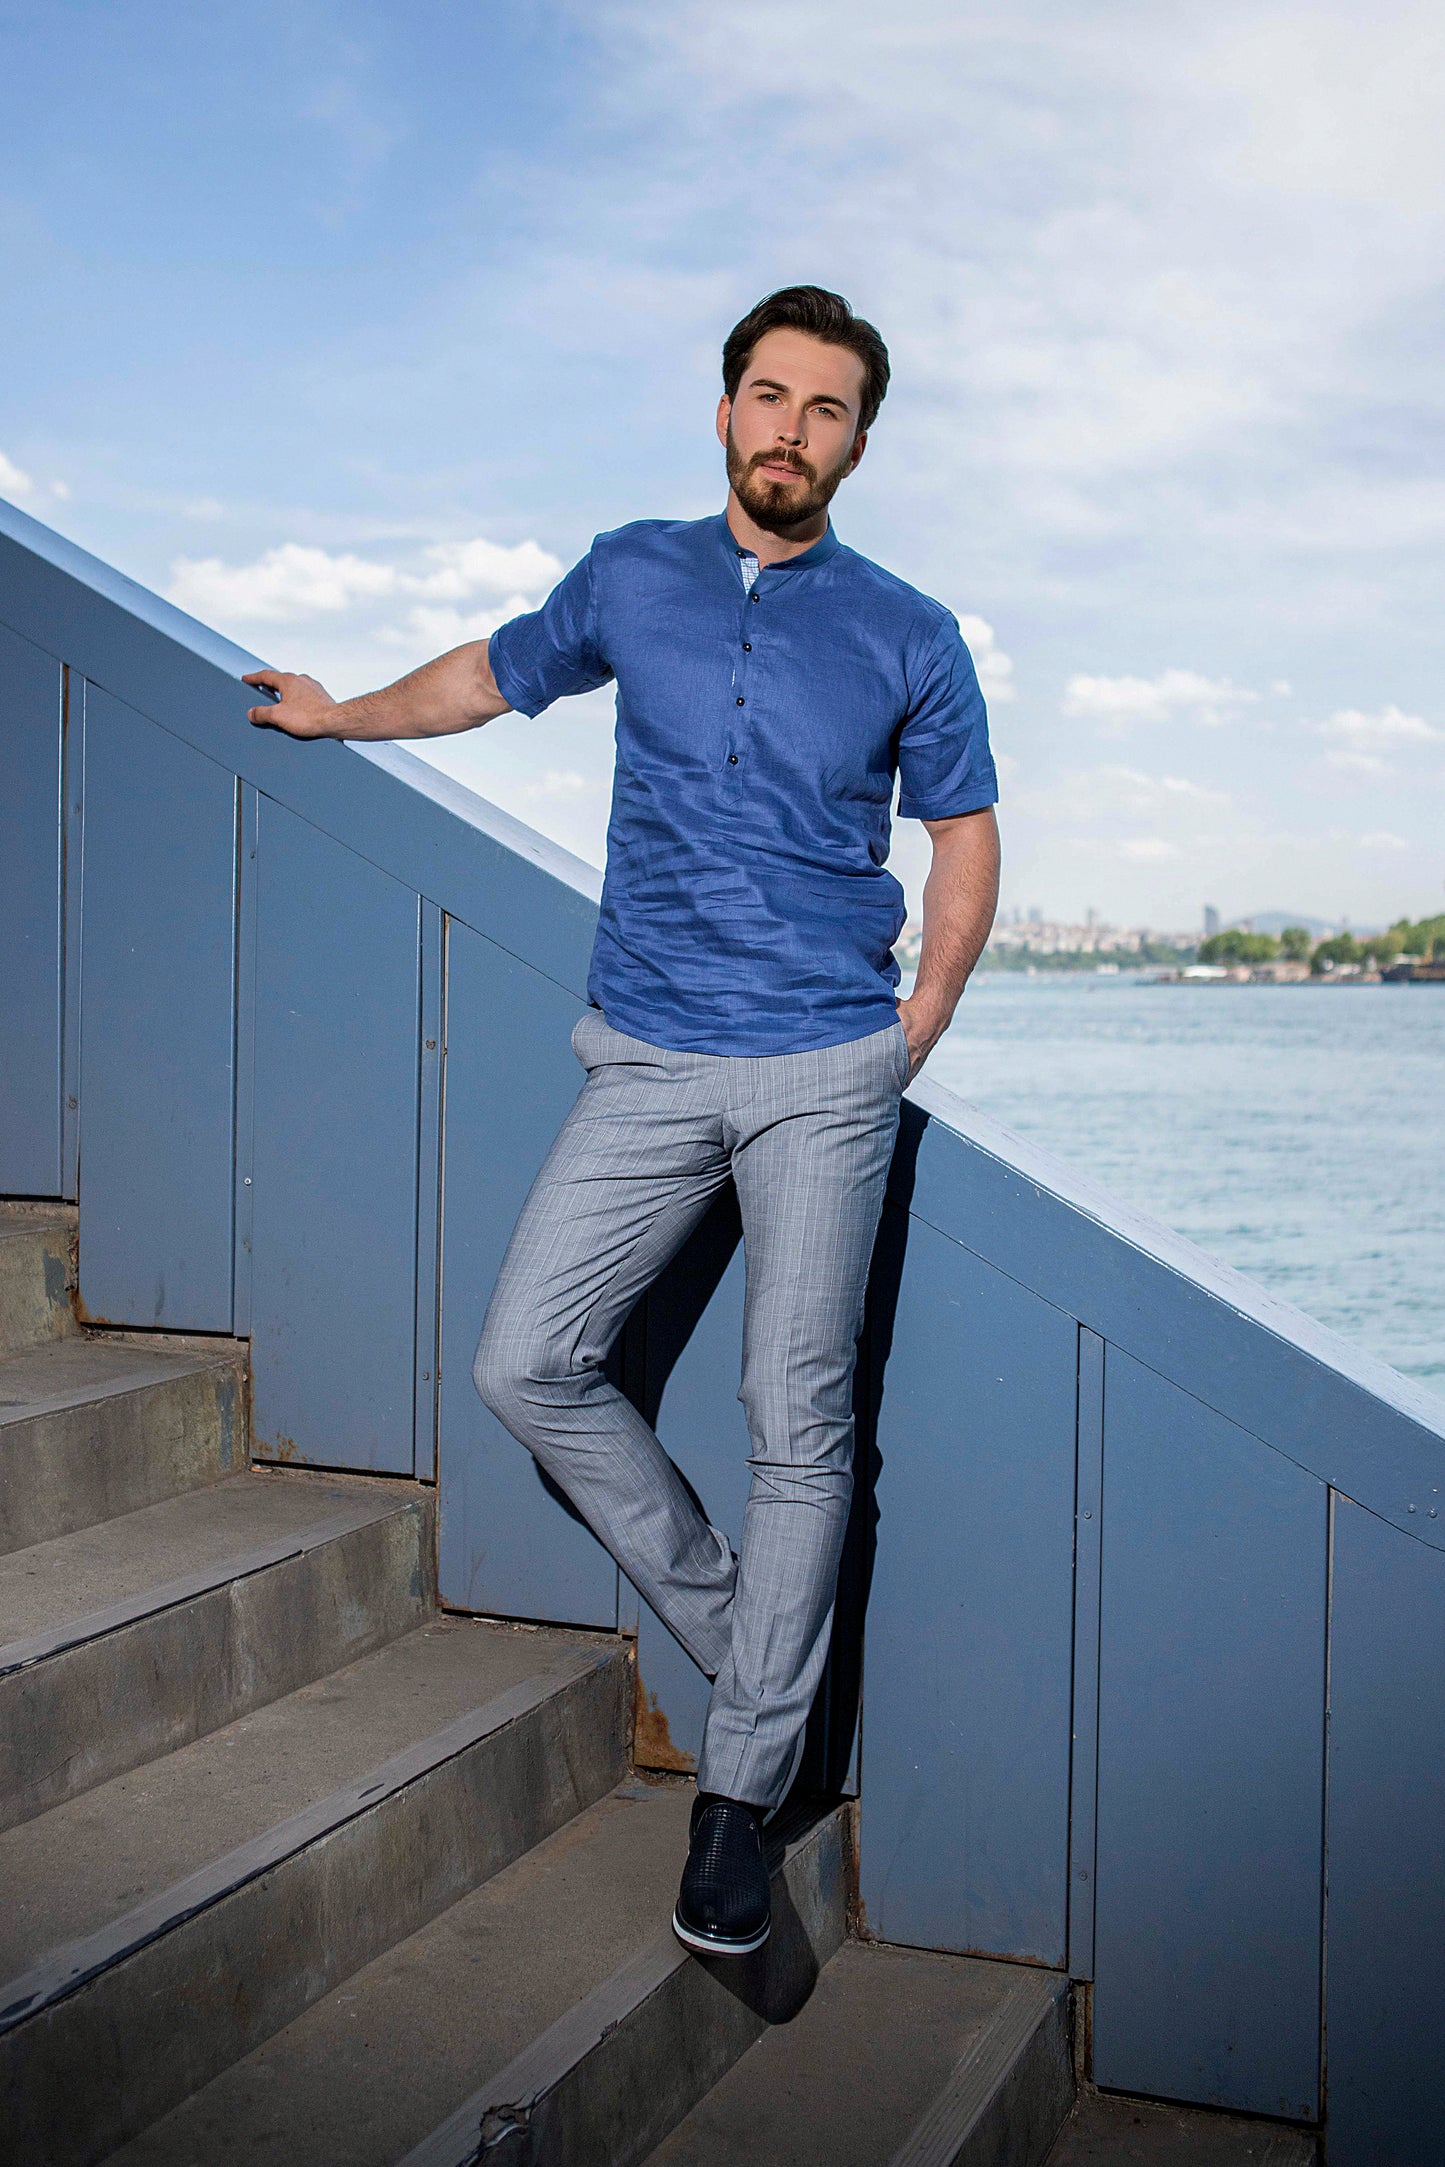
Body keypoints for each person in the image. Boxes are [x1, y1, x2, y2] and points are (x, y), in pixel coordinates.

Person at [246, 284, 1000, 1959]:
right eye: (767, 394)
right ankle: (749, 1646)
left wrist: (917, 1022)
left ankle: (737, 1804)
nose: (789, 429)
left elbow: (961, 831)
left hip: (824, 1068)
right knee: (528, 1359)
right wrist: (336, 711)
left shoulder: (907, 629)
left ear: (859, 442)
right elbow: (490, 678)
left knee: (793, 1423)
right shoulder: (630, 574)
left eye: (824, 409)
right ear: (723, 409)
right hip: (648, 1055)